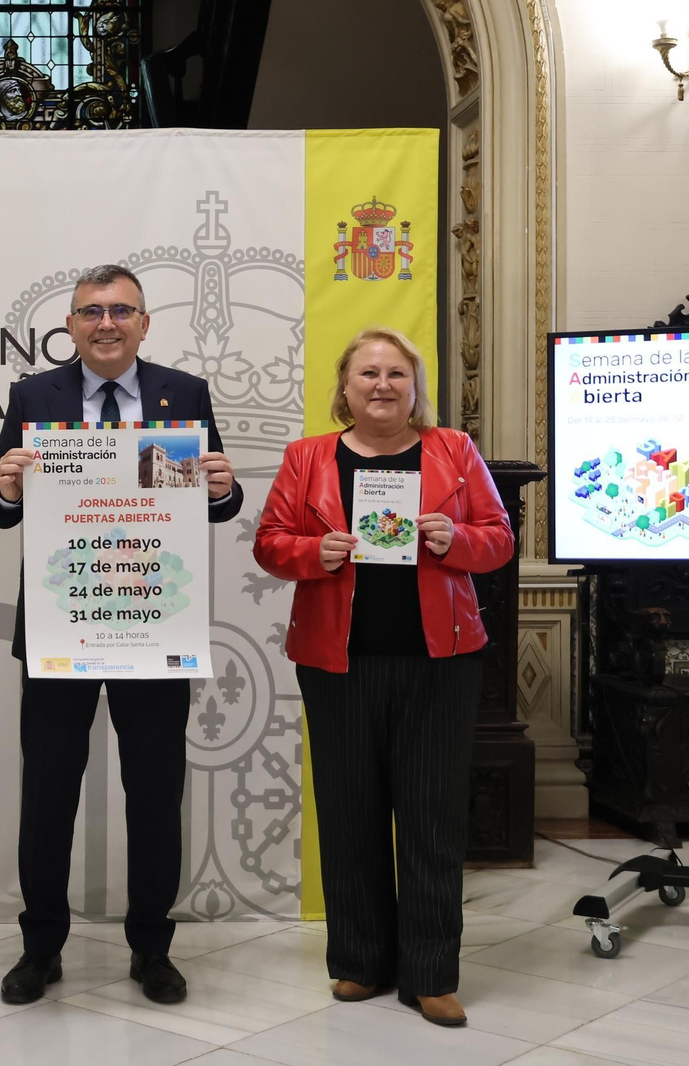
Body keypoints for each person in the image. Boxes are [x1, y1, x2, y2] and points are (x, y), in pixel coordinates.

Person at [0, 263, 242, 1005]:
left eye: (121, 310)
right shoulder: (35, 396)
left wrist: (226, 487)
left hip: (154, 621)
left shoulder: (183, 394)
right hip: (63, 623)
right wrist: (4, 485)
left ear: (144, 324)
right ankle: (40, 949)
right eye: (91, 311)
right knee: (49, 794)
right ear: (70, 326)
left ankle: (152, 950)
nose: (106, 323)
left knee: (155, 795)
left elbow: (214, 504)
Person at [252, 325, 513, 1028]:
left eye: (396, 373)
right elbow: (271, 544)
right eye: (367, 373)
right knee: (349, 812)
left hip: (441, 662)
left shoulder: (453, 451)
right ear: (344, 388)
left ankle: (431, 973)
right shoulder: (308, 458)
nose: (381, 385)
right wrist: (317, 552)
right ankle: (362, 961)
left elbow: (499, 539)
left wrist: (453, 539)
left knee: (431, 818)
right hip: (338, 663)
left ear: (415, 387)